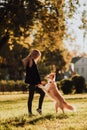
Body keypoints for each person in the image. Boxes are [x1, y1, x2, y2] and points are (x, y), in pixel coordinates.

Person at [22, 49, 45, 116]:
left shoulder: (32, 60)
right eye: (38, 55)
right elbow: (33, 73)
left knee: (42, 93)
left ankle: (39, 109)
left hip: (35, 82)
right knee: (31, 97)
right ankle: (30, 112)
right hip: (33, 83)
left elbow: (35, 73)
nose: (38, 57)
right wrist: (38, 82)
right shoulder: (30, 60)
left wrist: (39, 82)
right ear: (35, 55)